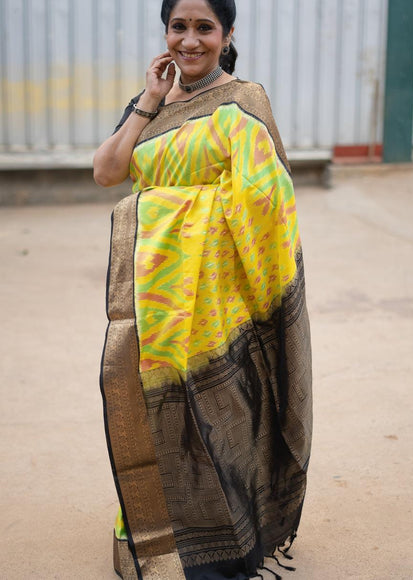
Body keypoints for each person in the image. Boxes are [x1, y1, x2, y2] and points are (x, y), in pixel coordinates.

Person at [93, 1, 312, 578]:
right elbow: (107, 171)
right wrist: (147, 101)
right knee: (149, 410)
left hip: (217, 301)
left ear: (227, 33)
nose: (190, 41)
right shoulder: (151, 106)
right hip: (153, 297)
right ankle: (155, 537)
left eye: (204, 28)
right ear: (166, 32)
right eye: (179, 27)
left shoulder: (244, 103)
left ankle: (227, 542)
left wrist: (165, 209)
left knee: (220, 417)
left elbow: (267, 203)